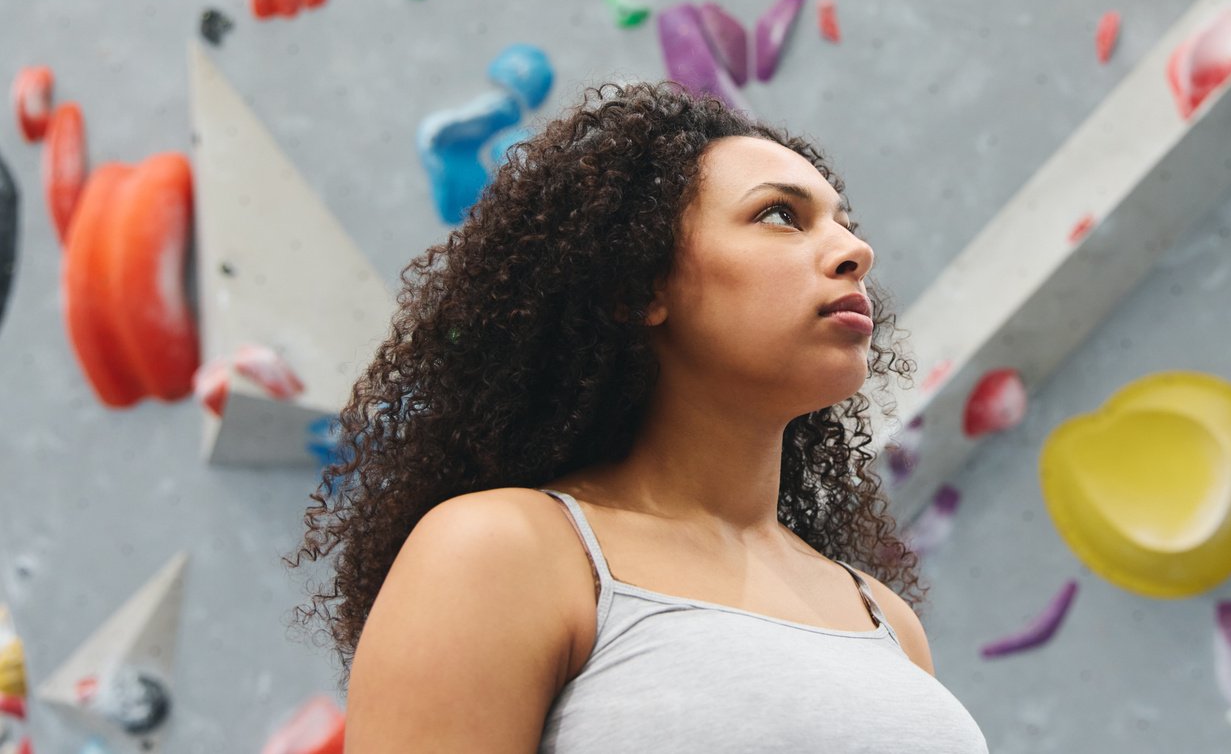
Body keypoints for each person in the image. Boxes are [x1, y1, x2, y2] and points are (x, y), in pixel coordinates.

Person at [286, 81, 989, 752]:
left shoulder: (883, 619)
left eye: (845, 225)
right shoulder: (503, 552)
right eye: (780, 214)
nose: (856, 252)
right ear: (641, 284)